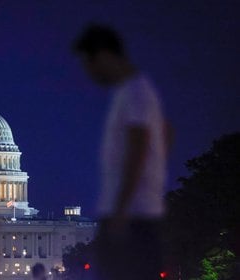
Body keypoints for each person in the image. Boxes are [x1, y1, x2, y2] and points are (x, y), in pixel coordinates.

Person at [74, 24, 169, 280]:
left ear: (104, 56)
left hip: (131, 215)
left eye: (89, 64)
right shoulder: (135, 90)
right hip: (137, 211)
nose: (89, 73)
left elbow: (139, 145)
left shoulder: (135, 92)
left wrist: (122, 208)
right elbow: (166, 131)